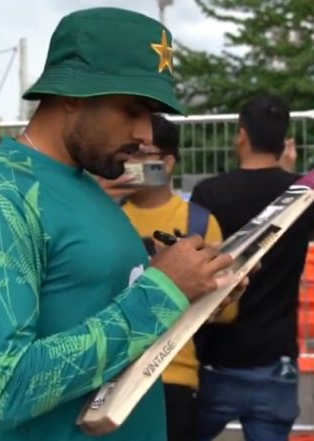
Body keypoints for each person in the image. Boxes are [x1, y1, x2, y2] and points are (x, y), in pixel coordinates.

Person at [0, 7, 245, 441]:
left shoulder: (90, 188)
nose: (145, 132)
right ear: (72, 94)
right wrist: (162, 292)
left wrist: (195, 291)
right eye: (133, 109)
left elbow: (111, 322)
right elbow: (5, 389)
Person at [191, 95, 312, 441]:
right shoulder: (300, 194)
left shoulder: (209, 192)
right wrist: (294, 176)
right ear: (285, 140)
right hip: (276, 358)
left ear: (241, 135)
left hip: (216, 355)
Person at [110, 114, 236, 441]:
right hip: (111, 376)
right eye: (126, 152)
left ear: (166, 163)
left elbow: (225, 311)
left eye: (140, 154)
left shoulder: (198, 222)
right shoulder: (107, 216)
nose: (129, 163)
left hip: (174, 377)